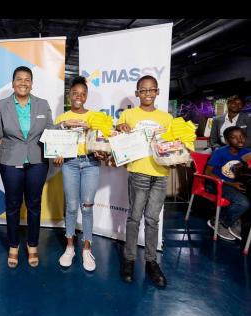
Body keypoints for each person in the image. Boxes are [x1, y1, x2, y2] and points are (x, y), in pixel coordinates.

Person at [0, 66, 54, 268]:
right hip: (10, 161)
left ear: (32, 83)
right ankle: (14, 246)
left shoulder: (43, 105)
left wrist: (60, 146)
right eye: (19, 79)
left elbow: (50, 131)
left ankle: (32, 246)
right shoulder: (1, 105)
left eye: (27, 79)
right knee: (13, 205)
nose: (23, 83)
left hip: (37, 161)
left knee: (34, 205)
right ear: (12, 82)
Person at [116, 75, 172, 288]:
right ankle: (129, 259)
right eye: (143, 90)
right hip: (138, 171)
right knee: (134, 217)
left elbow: (171, 145)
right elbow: (118, 137)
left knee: (152, 220)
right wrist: (121, 129)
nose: (147, 93)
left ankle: (151, 261)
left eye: (151, 90)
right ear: (137, 93)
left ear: (157, 92)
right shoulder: (128, 114)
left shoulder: (166, 118)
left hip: (160, 173)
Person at [53, 76, 111, 272]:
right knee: (70, 207)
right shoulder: (62, 118)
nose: (78, 97)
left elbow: (105, 140)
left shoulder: (95, 117)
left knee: (86, 207)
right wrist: (57, 154)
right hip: (69, 164)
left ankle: (87, 248)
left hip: (90, 164)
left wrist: (101, 145)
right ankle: (70, 247)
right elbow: (54, 144)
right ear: (69, 95)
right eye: (75, 93)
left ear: (86, 96)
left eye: (82, 94)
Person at [204, 126, 251, 241]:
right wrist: (231, 184)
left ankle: (235, 220)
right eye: (234, 137)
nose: (239, 140)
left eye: (241, 137)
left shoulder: (247, 153)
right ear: (227, 140)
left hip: (237, 184)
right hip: (217, 183)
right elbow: (208, 173)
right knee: (243, 203)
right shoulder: (220, 153)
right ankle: (220, 222)